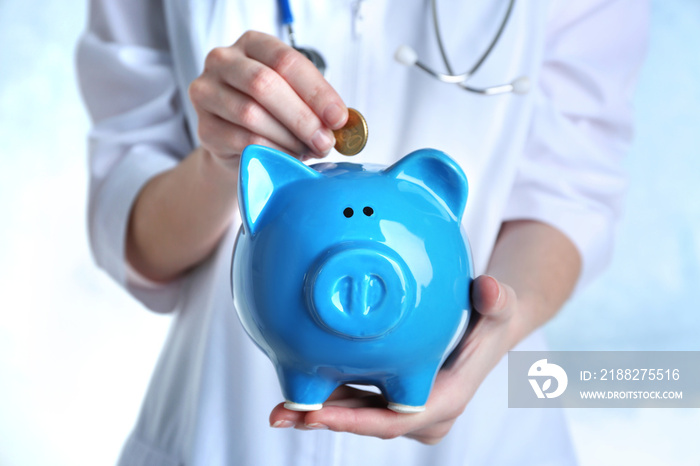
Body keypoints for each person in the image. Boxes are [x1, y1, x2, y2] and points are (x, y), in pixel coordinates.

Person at [76, 0, 648, 464]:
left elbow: (569, 197)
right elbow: (133, 234)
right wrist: (219, 165)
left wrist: (496, 328)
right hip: (219, 429)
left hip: (483, 437)